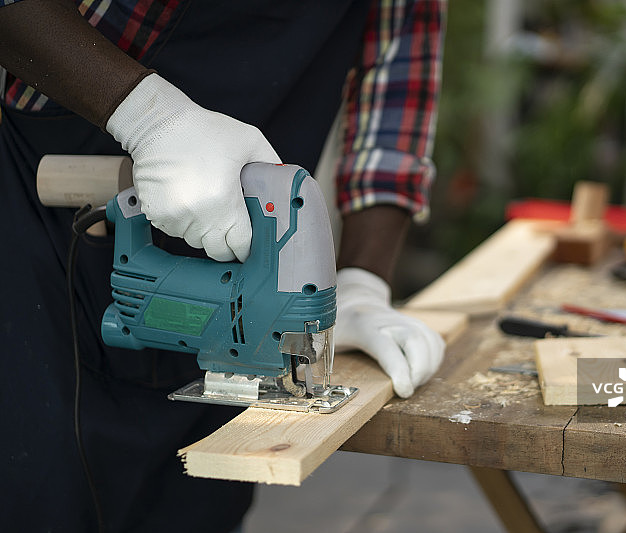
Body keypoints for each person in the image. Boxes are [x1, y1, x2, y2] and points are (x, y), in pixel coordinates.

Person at [0, 0, 446, 531]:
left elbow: (395, 91)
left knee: (199, 506)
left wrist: (359, 283)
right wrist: (151, 118)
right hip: (44, 219)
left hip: (247, 248)